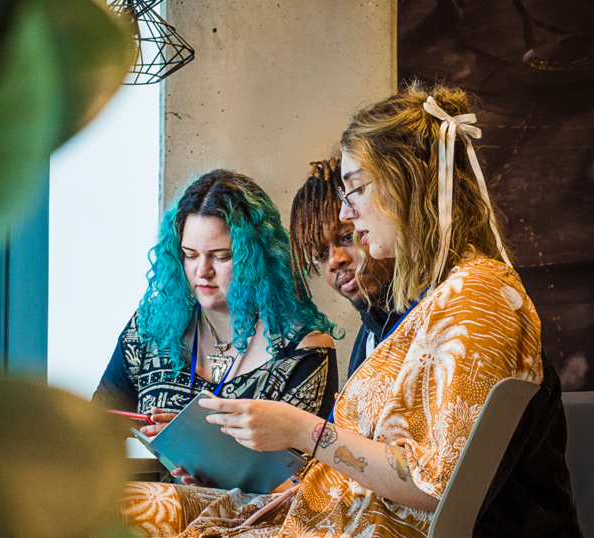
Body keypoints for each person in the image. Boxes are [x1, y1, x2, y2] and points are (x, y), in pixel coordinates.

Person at [120, 84, 580, 537]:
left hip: (369, 525)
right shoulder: (426, 307)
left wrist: (303, 431)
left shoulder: (478, 299)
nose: (348, 211)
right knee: (126, 504)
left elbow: (438, 485)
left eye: (356, 189)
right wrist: (301, 479)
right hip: (334, 508)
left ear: (408, 181)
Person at [93, 169, 339, 441]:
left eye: (221, 257)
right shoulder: (149, 326)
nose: (202, 270)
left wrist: (197, 445)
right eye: (189, 255)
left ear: (257, 257)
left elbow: (303, 476)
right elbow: (96, 427)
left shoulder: (302, 351)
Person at [290, 158, 396, 378]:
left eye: (348, 236)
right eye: (320, 254)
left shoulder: (438, 310)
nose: (334, 261)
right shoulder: (369, 339)